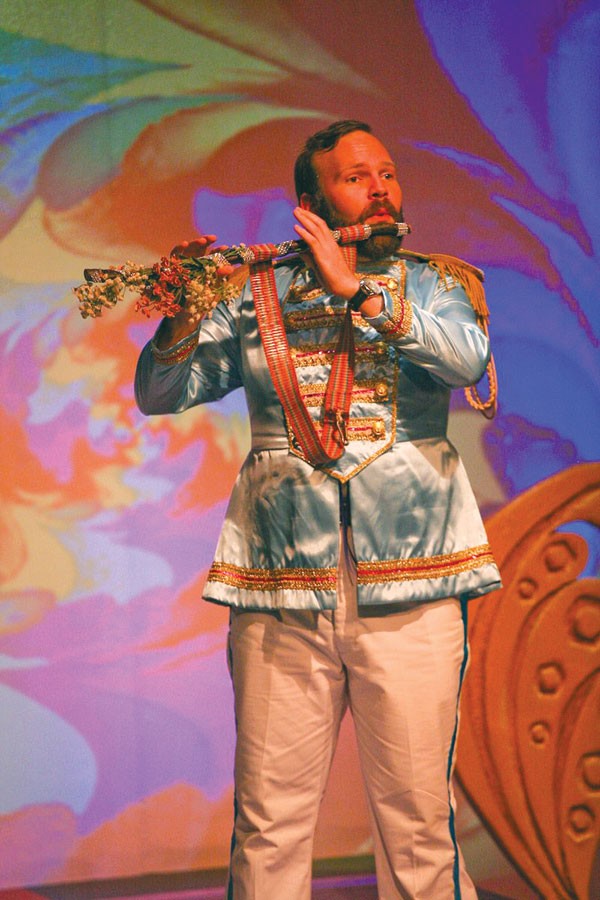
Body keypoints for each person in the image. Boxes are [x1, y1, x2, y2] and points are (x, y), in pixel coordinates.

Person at [135, 120, 501, 899]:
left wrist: (358, 291)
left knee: (417, 821)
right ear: (310, 203)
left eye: (387, 173)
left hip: (412, 577)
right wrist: (183, 313)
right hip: (280, 582)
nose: (380, 189)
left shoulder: (432, 284)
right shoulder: (255, 292)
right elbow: (161, 393)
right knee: (269, 820)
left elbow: (467, 361)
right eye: (355, 177)